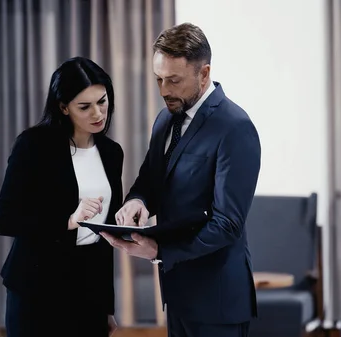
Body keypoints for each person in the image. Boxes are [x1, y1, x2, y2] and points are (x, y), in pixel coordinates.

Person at [101, 23, 261, 337]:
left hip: (218, 302)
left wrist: (159, 250)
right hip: (177, 295)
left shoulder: (235, 128)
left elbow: (227, 223)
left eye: (173, 80)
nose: (163, 90)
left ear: (204, 74)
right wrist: (138, 200)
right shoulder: (165, 119)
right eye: (159, 79)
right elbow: (150, 179)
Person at [0, 57, 122, 337]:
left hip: (87, 291)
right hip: (38, 289)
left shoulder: (112, 153)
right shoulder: (33, 145)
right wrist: (68, 220)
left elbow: (104, 241)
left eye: (102, 101)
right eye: (84, 107)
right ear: (64, 107)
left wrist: (107, 306)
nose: (98, 113)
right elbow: (5, 220)